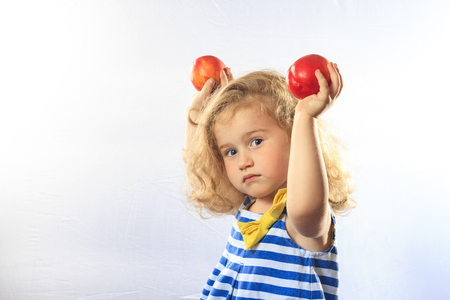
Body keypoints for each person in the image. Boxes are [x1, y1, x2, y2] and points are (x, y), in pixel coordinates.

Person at [183, 63, 356, 299]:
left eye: (255, 142)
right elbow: (205, 180)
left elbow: (304, 210)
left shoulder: (303, 219)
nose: (242, 162)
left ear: (294, 138)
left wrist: (305, 117)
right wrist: (196, 116)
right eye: (230, 152)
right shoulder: (248, 203)